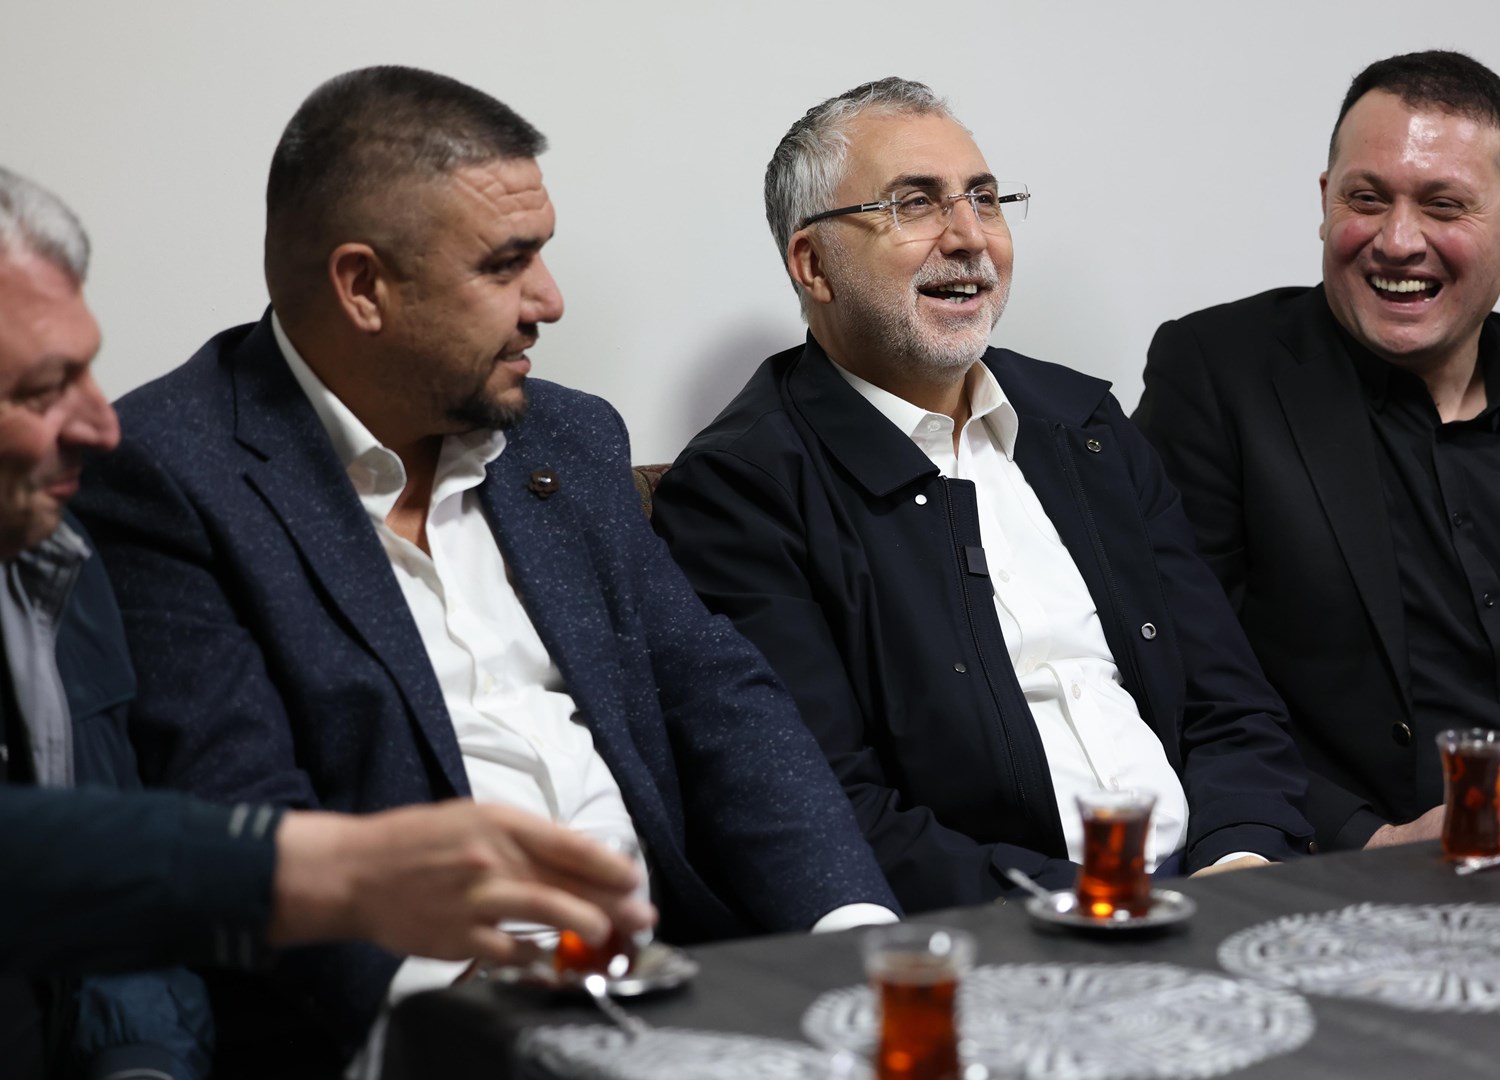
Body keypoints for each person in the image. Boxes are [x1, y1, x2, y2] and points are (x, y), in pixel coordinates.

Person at [71, 67, 897, 1075]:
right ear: (362, 287)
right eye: (507, 265)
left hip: (672, 980)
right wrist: (476, 1032)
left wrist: (851, 937)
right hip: (415, 1029)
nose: (549, 301)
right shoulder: (170, 474)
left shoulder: (567, 439)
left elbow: (720, 700)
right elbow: (247, 823)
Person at [0, 165, 649, 1079]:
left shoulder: (39, 561)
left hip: (641, 973)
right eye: (42, 390)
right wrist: (337, 880)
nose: (97, 424)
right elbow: (191, 806)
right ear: (362, 288)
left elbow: (110, 902)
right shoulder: (159, 472)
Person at [650, 78, 1315, 914]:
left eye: (986, 200)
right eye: (914, 204)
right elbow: (828, 810)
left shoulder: (1083, 426)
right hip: (1011, 922)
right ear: (813, 264)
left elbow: (1231, 704)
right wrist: (1105, 908)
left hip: (1218, 886)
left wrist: (1241, 856)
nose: (970, 238)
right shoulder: (743, 490)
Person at [1134, 51, 1500, 853]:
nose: (1397, 241)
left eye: (1443, 206)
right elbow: (1176, 672)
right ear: (1325, 202)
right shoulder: (1219, 375)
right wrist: (1366, 838)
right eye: (1366, 199)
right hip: (1367, 861)